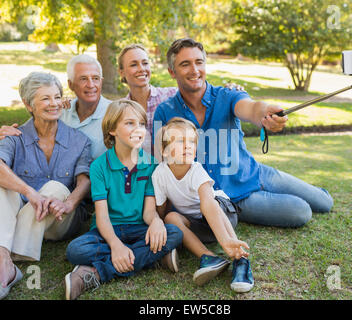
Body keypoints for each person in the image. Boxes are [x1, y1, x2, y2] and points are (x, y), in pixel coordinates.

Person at [153, 38, 334, 229]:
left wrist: (265, 113)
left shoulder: (227, 95)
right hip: (233, 197)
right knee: (300, 211)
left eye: (199, 62)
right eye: (185, 64)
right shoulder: (165, 112)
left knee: (324, 202)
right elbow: (163, 163)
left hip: (256, 172)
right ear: (172, 72)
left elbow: (252, 108)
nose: (195, 70)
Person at [0, 72, 92, 300]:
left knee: (55, 188)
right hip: (27, 212)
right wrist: (29, 192)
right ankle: (3, 269)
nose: (53, 104)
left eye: (57, 97)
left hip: (59, 220)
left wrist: (69, 203)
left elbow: (85, 180)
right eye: (45, 99)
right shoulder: (15, 136)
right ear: (28, 105)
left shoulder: (80, 141)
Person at [64, 99, 183, 300]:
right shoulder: (99, 166)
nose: (138, 129)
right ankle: (152, 258)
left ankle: (96, 274)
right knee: (75, 250)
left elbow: (148, 211)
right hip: (107, 230)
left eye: (142, 124)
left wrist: (155, 222)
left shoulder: (151, 164)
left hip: (139, 230)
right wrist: (115, 245)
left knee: (173, 233)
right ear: (112, 130)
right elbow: (101, 216)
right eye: (130, 123)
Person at [152, 117, 254, 293]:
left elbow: (208, 203)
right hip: (200, 224)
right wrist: (159, 228)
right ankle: (209, 257)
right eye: (180, 141)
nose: (188, 146)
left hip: (223, 213)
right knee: (170, 218)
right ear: (164, 151)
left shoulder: (196, 170)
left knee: (212, 203)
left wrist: (225, 240)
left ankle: (240, 258)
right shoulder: (159, 174)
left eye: (192, 141)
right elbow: (160, 210)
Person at [0, 54, 111, 160]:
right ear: (70, 84)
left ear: (101, 82)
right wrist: (10, 133)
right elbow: (32, 130)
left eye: (95, 78)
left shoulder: (115, 113)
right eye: (83, 79)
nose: (91, 85)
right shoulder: (59, 110)